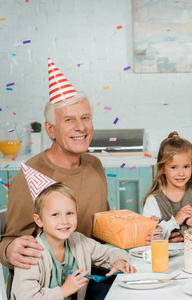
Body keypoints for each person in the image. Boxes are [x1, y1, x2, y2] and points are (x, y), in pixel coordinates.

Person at [0, 58, 110, 298]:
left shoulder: (95, 165)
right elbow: (8, 242)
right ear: (50, 129)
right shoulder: (29, 175)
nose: (81, 127)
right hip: (46, 288)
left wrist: (144, 230)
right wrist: (9, 251)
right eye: (69, 119)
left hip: (91, 276)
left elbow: (104, 228)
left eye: (86, 117)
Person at [11, 164, 135, 299]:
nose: (64, 220)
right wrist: (64, 290)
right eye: (55, 214)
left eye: (69, 213)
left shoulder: (79, 241)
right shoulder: (30, 255)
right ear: (39, 220)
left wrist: (119, 261)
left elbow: (110, 253)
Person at [142, 131, 192, 237]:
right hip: (165, 253)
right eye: (173, 167)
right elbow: (148, 234)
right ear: (162, 169)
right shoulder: (154, 200)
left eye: (186, 167)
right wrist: (175, 222)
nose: (181, 173)